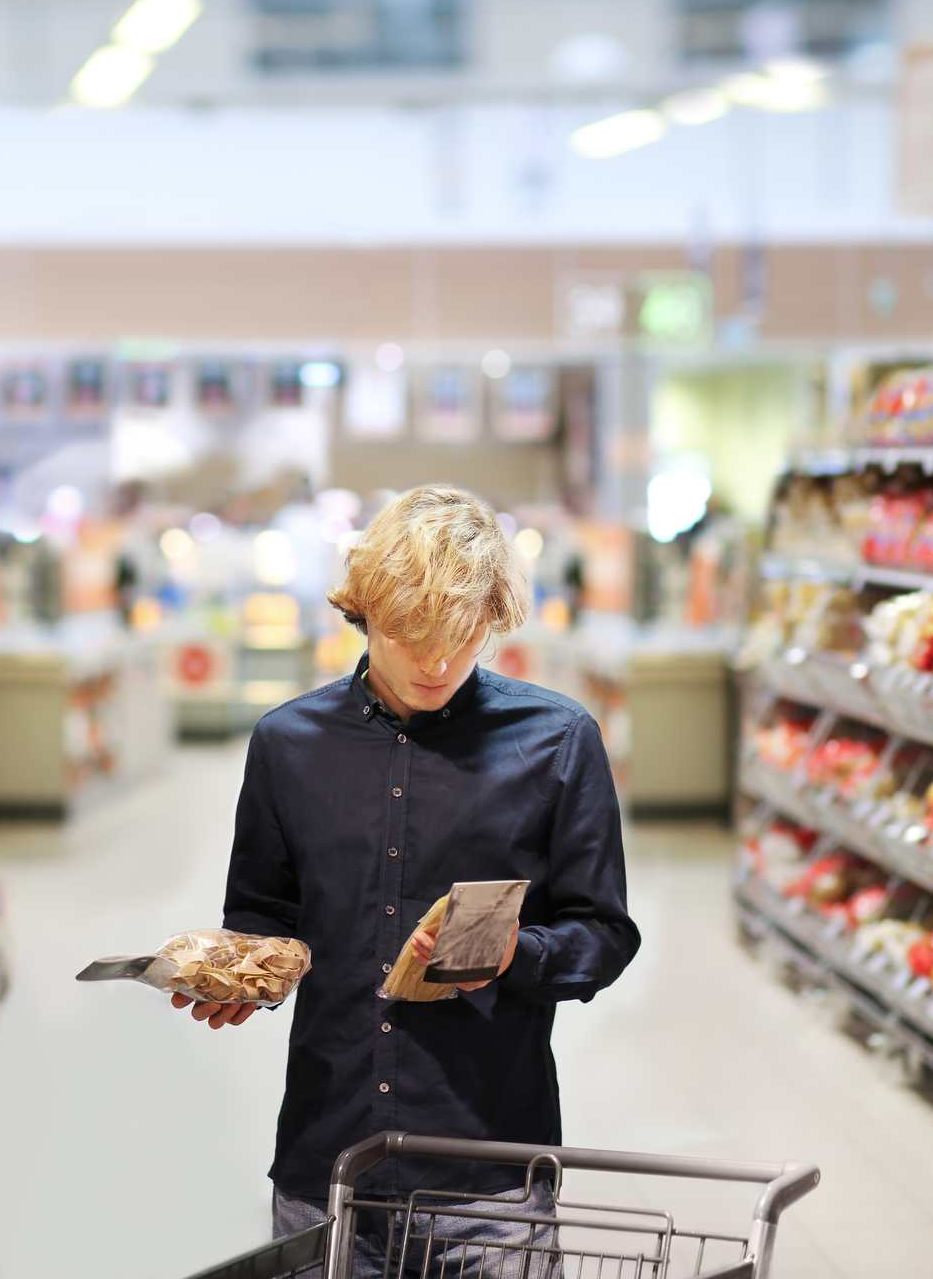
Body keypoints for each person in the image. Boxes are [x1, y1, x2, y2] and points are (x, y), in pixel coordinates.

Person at [176, 484, 640, 1279]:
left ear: (492, 620)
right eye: (410, 634)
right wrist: (242, 978)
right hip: (328, 1177)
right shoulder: (287, 745)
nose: (436, 662)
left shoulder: (559, 743)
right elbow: (261, 915)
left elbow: (603, 935)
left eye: (462, 638)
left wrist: (512, 957)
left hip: (488, 1182)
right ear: (363, 613)